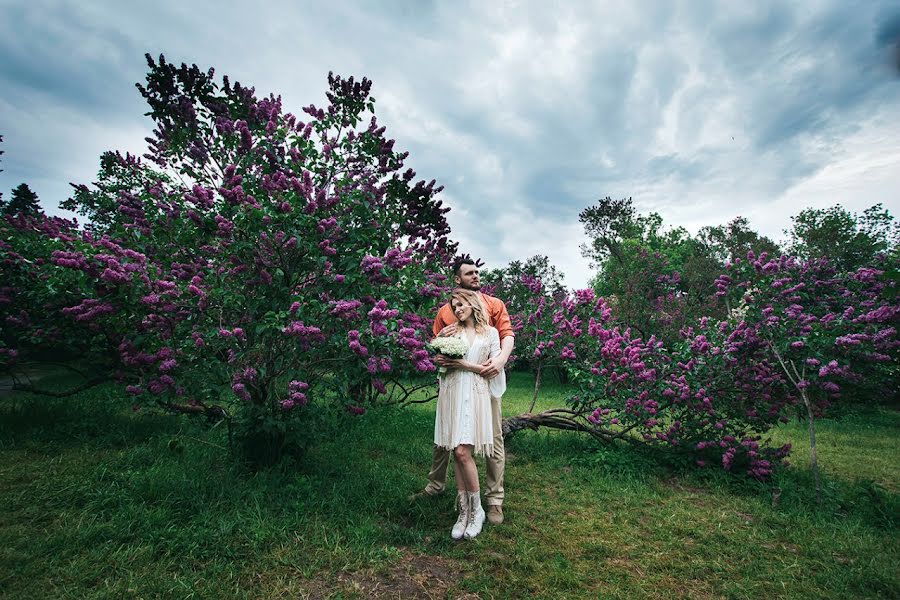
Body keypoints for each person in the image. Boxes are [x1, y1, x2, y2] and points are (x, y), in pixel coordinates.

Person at [412, 258, 515, 526]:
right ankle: (436, 485)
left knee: (493, 439)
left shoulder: (494, 305)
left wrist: (501, 360)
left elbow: (507, 335)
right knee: (445, 438)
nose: (476, 275)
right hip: (455, 386)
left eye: (478, 271)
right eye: (469, 273)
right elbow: (434, 348)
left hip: (484, 383)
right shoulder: (446, 312)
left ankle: (494, 501)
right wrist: (439, 354)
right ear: (458, 279)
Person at [433, 288, 506, 539]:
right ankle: (464, 512)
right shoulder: (454, 331)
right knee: (457, 451)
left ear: (473, 304)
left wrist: (464, 364)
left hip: (476, 395)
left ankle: (477, 512)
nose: (457, 309)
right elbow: (440, 361)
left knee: (464, 451)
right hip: (454, 393)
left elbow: (492, 368)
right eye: (454, 307)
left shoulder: (491, 334)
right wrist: (440, 349)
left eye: (461, 304)